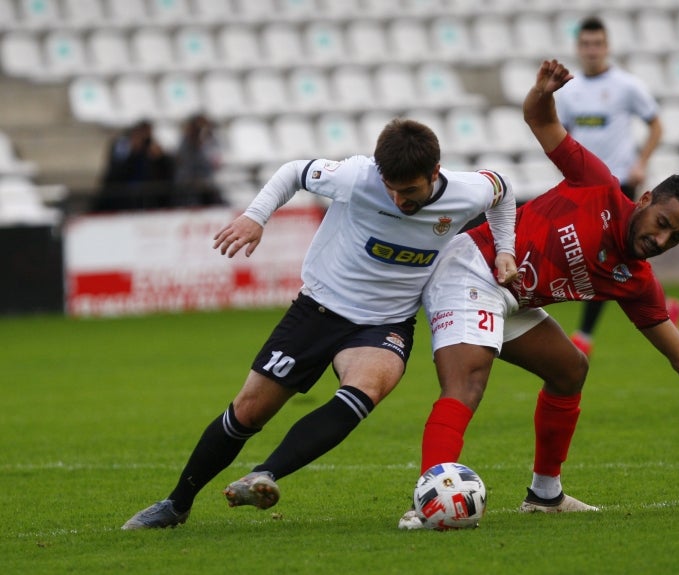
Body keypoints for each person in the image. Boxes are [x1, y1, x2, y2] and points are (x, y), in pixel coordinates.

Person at [397, 60, 679, 529]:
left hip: (511, 297)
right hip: (473, 267)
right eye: (663, 224)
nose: (661, 241)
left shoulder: (636, 279)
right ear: (643, 201)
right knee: (467, 383)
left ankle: (545, 495)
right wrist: (544, 91)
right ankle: (428, 502)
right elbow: (539, 120)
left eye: (676, 239)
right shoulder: (597, 185)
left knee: (570, 370)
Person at [121, 118, 519, 529]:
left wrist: (505, 250)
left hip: (386, 322)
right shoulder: (357, 176)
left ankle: (265, 474)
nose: (399, 200)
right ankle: (176, 504)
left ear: (435, 174)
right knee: (248, 412)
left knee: (364, 390)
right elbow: (293, 171)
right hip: (318, 310)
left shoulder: (467, 190)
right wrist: (256, 216)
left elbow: (502, 189)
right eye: (391, 189)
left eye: (411, 191)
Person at [555, 16, 672, 356]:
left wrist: (641, 162)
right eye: (586, 44)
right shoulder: (569, 90)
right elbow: (560, 136)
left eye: (598, 44)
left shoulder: (626, 85)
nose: (592, 50)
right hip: (583, 187)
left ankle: (584, 336)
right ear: (579, 48)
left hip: (620, 183)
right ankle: (665, 308)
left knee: (608, 256)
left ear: (607, 47)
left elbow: (657, 127)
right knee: (608, 258)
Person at [95, 119, 175, 212]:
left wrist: (160, 158)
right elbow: (116, 171)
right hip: (121, 197)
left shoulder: (150, 147)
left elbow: (165, 169)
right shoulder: (123, 144)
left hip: (145, 198)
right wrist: (133, 152)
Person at [173, 113, 226, 207]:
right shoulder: (187, 143)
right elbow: (186, 165)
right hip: (190, 185)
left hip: (203, 182)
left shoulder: (208, 141)